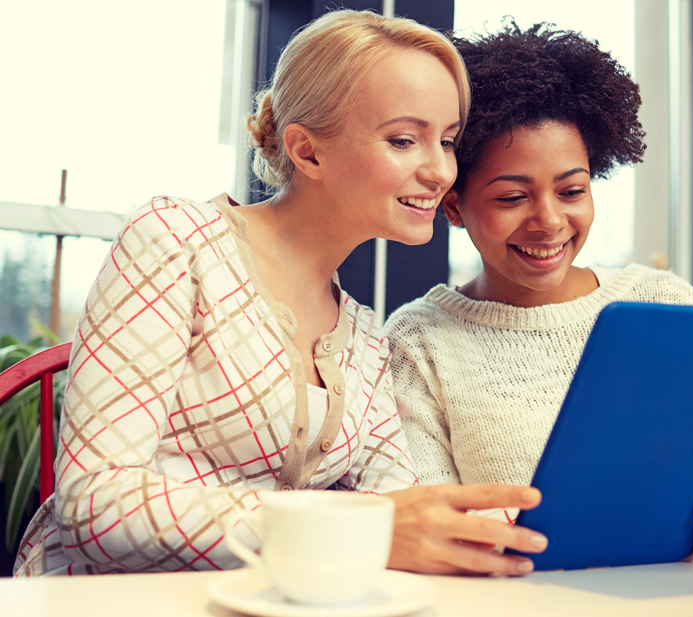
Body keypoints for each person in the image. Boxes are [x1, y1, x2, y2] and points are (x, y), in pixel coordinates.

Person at [14, 10, 547, 577]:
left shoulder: (365, 336)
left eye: (446, 140)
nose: (441, 170)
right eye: (403, 140)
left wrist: (502, 527)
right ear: (307, 150)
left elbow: (400, 503)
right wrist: (347, 527)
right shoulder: (176, 242)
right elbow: (93, 503)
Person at [383, 21, 693, 559]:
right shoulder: (418, 340)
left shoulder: (662, 304)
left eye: (572, 189)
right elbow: (430, 531)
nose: (549, 221)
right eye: (510, 198)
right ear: (454, 205)